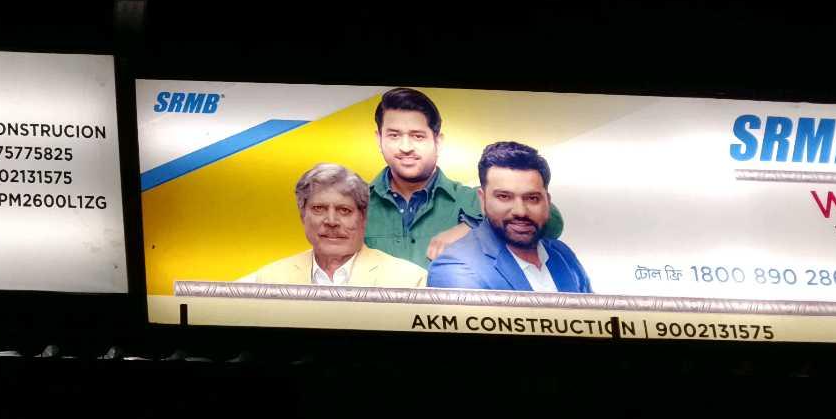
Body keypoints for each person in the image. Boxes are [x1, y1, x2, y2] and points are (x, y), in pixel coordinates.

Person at [365, 88, 564, 267]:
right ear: (379, 139)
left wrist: (474, 228)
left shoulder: (472, 199)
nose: (405, 147)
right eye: (394, 135)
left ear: (438, 142)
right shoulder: (356, 204)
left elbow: (553, 222)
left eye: (418, 136)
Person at [427, 142, 593, 293]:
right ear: (483, 200)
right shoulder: (456, 267)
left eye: (532, 198)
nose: (520, 211)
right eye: (504, 197)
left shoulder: (562, 253)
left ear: (547, 202)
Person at [246, 164, 429, 287]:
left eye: (344, 210)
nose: (331, 221)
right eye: (319, 208)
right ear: (303, 215)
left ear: (363, 217)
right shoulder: (270, 279)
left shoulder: (409, 281)